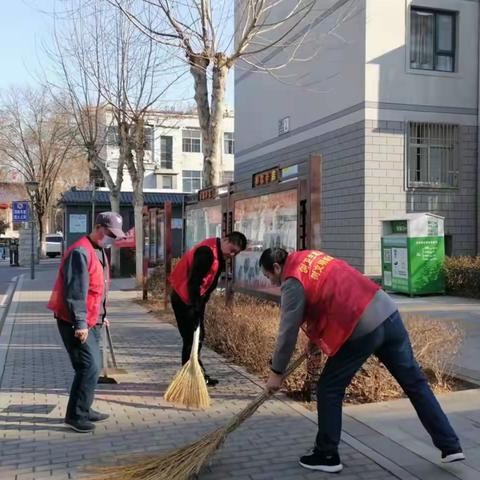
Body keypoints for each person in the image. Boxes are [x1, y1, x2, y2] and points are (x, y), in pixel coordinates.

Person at [259, 247, 464, 473]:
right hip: (387, 312)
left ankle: (327, 454)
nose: (274, 283)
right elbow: (331, 292)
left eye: (270, 277)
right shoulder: (311, 256)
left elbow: (287, 331)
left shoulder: (292, 279)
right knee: (415, 384)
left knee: (329, 388)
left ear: (277, 267)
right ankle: (450, 445)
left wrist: (277, 372)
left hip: (362, 325)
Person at [48, 212, 126, 433]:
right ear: (98, 227)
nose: (112, 238)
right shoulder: (81, 251)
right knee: (88, 367)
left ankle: (85, 408)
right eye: (109, 233)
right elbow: (76, 292)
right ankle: (76, 415)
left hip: (92, 319)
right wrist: (80, 324)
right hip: (75, 320)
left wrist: (102, 315)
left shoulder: (98, 249)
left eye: (115, 235)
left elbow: (96, 289)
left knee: (91, 367)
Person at [169, 231, 247, 385]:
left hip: (193, 299)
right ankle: (189, 377)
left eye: (235, 253)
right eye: (231, 249)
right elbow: (194, 282)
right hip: (184, 298)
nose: (232, 254)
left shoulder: (219, 253)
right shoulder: (207, 253)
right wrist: (195, 306)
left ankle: (196, 373)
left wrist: (201, 304)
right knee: (191, 339)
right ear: (225, 240)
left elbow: (208, 283)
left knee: (198, 336)